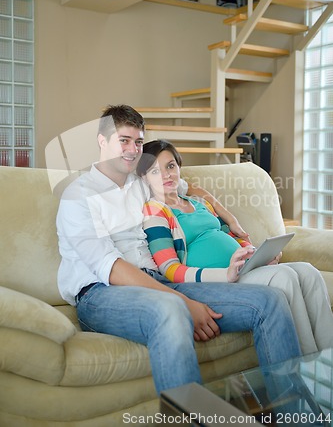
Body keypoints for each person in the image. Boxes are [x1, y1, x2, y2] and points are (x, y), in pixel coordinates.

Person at [56, 104, 302, 397]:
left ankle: (294, 413)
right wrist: (183, 301)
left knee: (270, 301)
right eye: (124, 140)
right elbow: (111, 268)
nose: (133, 150)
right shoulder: (78, 195)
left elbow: (190, 189)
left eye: (138, 141)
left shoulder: (141, 182)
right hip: (102, 292)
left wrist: (230, 219)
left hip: (160, 281)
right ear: (102, 141)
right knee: (171, 309)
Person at [137, 139, 333, 355]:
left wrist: (256, 253)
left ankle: (328, 357)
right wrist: (224, 274)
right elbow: (170, 269)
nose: (166, 175)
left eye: (171, 166)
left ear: (179, 167)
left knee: (308, 272)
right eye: (155, 171)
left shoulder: (199, 202)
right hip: (219, 280)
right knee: (284, 276)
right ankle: (307, 364)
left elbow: (230, 235)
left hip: (243, 269)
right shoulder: (155, 212)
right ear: (144, 178)